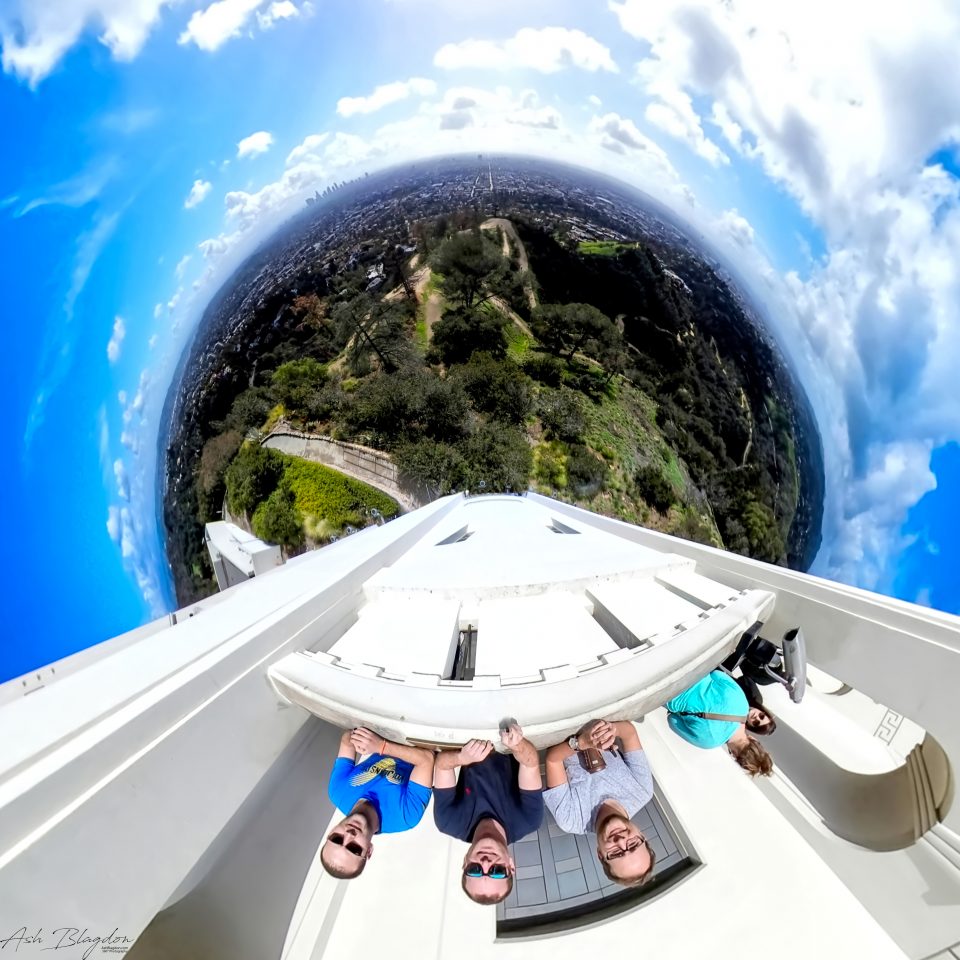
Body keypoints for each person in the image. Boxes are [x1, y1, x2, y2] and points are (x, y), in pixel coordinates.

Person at [433, 723, 543, 905]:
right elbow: (530, 763)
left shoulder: (448, 822)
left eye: (475, 869)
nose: (485, 862)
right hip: (508, 727)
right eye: (497, 871)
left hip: (468, 729)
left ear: (465, 862)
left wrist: (461, 757)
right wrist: (517, 745)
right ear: (511, 866)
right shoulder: (529, 819)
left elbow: (442, 766)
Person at [544, 719, 656, 887]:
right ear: (642, 836)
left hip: (556, 723)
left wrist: (581, 743)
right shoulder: (642, 791)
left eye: (616, 853)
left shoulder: (571, 820)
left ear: (600, 854)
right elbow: (630, 733)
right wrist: (613, 730)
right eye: (633, 844)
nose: (620, 841)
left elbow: (552, 760)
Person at [321, 726, 434, 879]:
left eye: (337, 839)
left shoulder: (337, 791)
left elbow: (346, 741)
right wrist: (381, 746)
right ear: (369, 851)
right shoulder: (404, 817)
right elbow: (426, 759)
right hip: (425, 733)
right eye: (354, 848)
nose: (348, 835)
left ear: (331, 832)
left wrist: (357, 738)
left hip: (388, 725)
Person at [665, 671, 774, 777]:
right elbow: (672, 720)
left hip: (688, 667)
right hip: (666, 690)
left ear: (753, 739)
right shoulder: (709, 742)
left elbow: (716, 674)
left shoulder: (742, 703)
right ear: (735, 755)